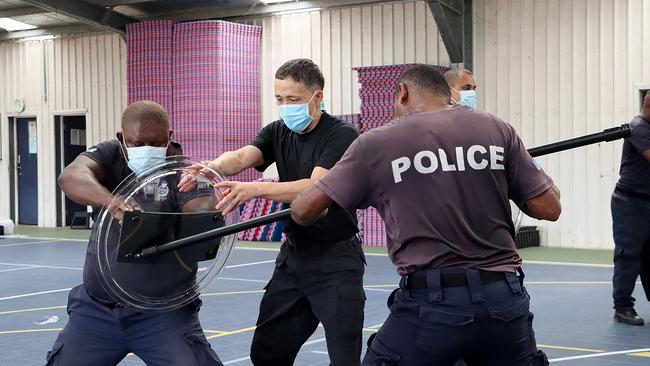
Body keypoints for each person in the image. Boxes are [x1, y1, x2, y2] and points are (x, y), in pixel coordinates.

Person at [292, 64, 561, 365]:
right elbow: (549, 207)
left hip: (432, 306)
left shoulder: (377, 143)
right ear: (448, 94)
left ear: (402, 93)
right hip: (504, 300)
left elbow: (303, 210)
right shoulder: (496, 129)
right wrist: (499, 174)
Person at [178, 58, 364, 365]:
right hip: (294, 258)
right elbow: (241, 157)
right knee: (266, 353)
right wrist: (211, 167)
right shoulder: (277, 131)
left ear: (318, 97)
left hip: (337, 261)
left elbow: (316, 187)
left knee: (344, 358)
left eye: (293, 99)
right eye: (279, 99)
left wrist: (253, 189)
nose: (285, 106)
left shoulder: (342, 135)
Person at [45, 101, 223, 366]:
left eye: (156, 142)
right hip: (96, 311)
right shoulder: (109, 154)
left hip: (164, 314)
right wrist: (112, 201)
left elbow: (202, 209)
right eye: (138, 143)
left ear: (169, 138)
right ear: (122, 139)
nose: (146, 149)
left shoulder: (183, 170)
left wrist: (205, 201)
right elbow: (71, 176)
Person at [611, 91, 650, 326]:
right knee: (629, 256)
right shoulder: (638, 127)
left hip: (646, 201)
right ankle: (623, 307)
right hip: (630, 203)